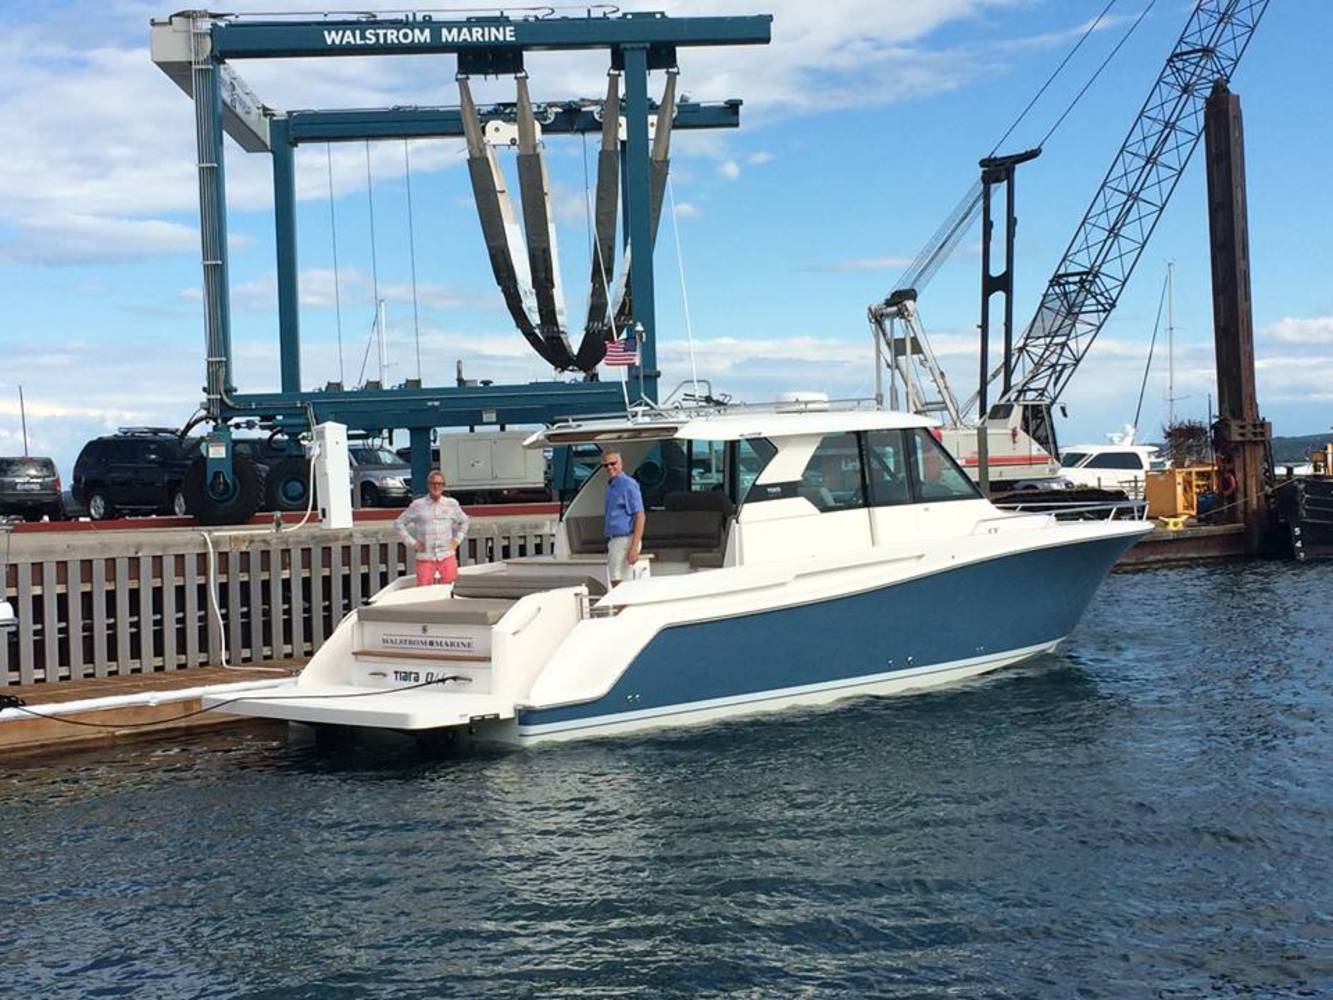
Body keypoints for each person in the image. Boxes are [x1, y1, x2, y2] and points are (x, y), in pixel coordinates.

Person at [395, 469, 470, 586]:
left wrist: (457, 540)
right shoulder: (417, 505)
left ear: (443, 486)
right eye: (433, 483)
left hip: (447, 555)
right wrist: (412, 543)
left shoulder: (452, 504)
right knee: (424, 590)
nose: (436, 486)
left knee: (450, 589)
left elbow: (465, 521)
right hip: (425, 556)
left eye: (439, 484)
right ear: (428, 485)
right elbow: (399, 523)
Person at [602, 450, 644, 584]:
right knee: (617, 580)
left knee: (618, 581)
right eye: (606, 465)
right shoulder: (611, 486)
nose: (609, 467)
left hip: (625, 539)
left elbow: (640, 515)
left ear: (621, 463)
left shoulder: (628, 485)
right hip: (615, 540)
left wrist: (634, 547)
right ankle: (620, 605)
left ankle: (622, 606)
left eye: (613, 463)